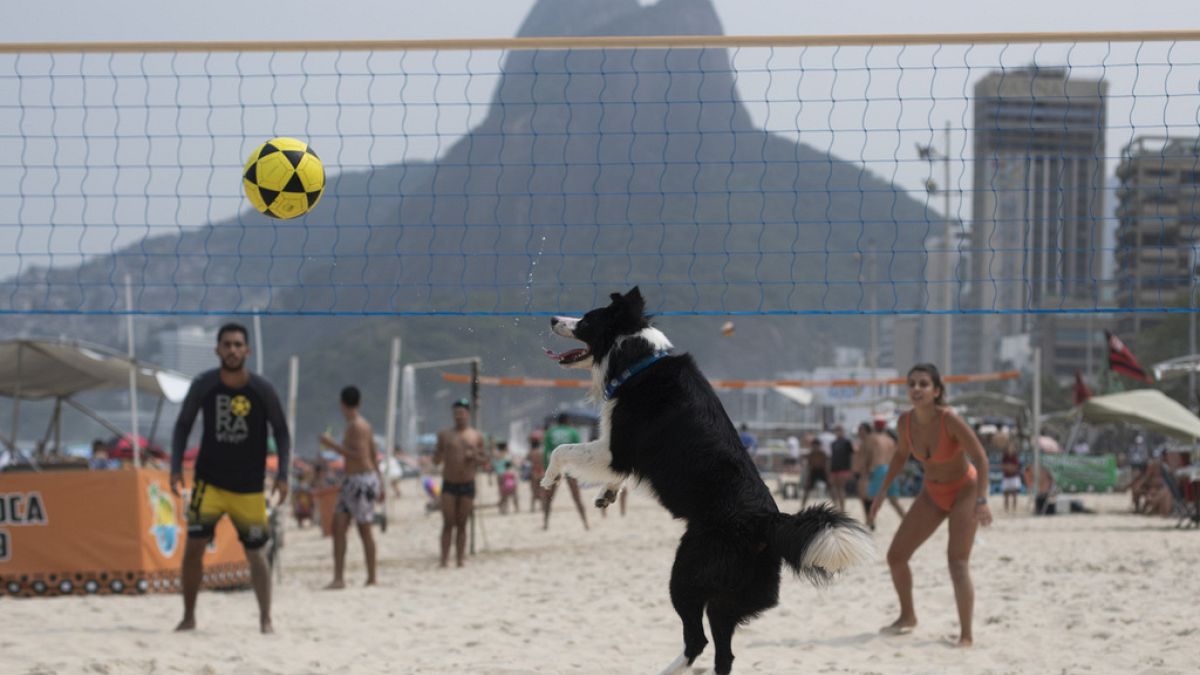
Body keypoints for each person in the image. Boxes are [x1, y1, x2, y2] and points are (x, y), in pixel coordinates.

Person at [169, 323, 290, 634]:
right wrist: (174, 468)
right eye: (227, 345)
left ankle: (266, 619)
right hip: (208, 483)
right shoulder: (204, 384)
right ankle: (188, 616)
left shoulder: (262, 389)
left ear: (247, 350)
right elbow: (182, 426)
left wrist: (284, 475)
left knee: (256, 553)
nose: (233, 350)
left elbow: (281, 430)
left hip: (249, 487)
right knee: (193, 548)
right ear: (217, 350)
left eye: (238, 345)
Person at [870, 363, 992, 647]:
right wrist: (881, 493)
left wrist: (983, 500)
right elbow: (900, 456)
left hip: (965, 490)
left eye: (923, 384)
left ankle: (966, 636)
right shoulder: (905, 423)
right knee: (896, 557)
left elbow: (981, 458)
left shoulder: (949, 420)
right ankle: (908, 616)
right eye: (911, 384)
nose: (916, 389)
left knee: (957, 562)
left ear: (936, 391)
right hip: (932, 493)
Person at [318, 386, 384, 588]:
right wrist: (380, 482)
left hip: (360, 481)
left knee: (364, 530)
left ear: (342, 404)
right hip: (356, 480)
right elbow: (373, 454)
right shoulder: (363, 425)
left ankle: (371, 577)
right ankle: (339, 578)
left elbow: (360, 455)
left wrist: (331, 445)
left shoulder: (356, 426)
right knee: (339, 527)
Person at [433, 399, 486, 568]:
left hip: (467, 483)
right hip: (449, 483)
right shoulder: (445, 435)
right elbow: (436, 459)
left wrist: (474, 456)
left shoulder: (476, 435)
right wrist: (440, 452)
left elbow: (484, 460)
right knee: (448, 523)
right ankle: (443, 559)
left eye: (462, 413)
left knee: (462, 523)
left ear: (467, 414)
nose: (459, 416)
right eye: (456, 413)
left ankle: (460, 559)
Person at [543, 412, 589, 531]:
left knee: (549, 497)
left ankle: (545, 523)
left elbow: (546, 452)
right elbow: (579, 451)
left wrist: (546, 469)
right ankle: (585, 523)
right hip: (569, 467)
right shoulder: (573, 432)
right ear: (567, 421)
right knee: (577, 497)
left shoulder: (550, 433)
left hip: (555, 466)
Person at [863, 420, 907, 529]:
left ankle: (869, 523)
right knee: (893, 499)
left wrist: (866, 470)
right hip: (891, 469)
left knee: (874, 499)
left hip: (878, 468)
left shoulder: (872, 438)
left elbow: (868, 455)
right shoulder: (891, 440)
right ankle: (906, 521)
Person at [829, 425, 854, 512]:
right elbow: (832, 457)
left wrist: (851, 469)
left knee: (841, 488)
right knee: (833, 488)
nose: (838, 432)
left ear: (843, 431)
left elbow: (852, 456)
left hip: (844, 468)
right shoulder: (833, 443)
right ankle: (836, 507)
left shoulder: (847, 442)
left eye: (839, 430)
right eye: (837, 430)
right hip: (834, 468)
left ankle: (842, 508)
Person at [800, 436, 829, 507]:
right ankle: (802, 505)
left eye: (817, 446)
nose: (815, 448)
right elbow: (809, 466)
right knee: (807, 489)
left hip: (822, 471)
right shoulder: (811, 454)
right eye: (814, 446)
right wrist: (808, 477)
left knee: (831, 487)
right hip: (813, 471)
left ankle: (836, 504)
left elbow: (826, 465)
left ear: (819, 446)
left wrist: (828, 476)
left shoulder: (823, 454)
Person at [493, 440, 520, 514]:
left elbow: (494, 466)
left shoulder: (496, 456)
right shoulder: (507, 455)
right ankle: (516, 508)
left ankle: (503, 509)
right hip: (508, 475)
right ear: (505, 447)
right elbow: (513, 464)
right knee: (513, 492)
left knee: (502, 493)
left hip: (499, 476)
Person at [1000, 445, 1022, 513]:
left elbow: (1016, 467)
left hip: (1013, 477)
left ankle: (1014, 508)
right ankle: (1006, 508)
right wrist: (1009, 468)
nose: (1010, 450)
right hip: (1007, 477)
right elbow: (1003, 467)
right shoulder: (1005, 458)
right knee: (1006, 494)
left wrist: (1010, 468)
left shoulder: (1015, 458)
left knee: (1014, 494)